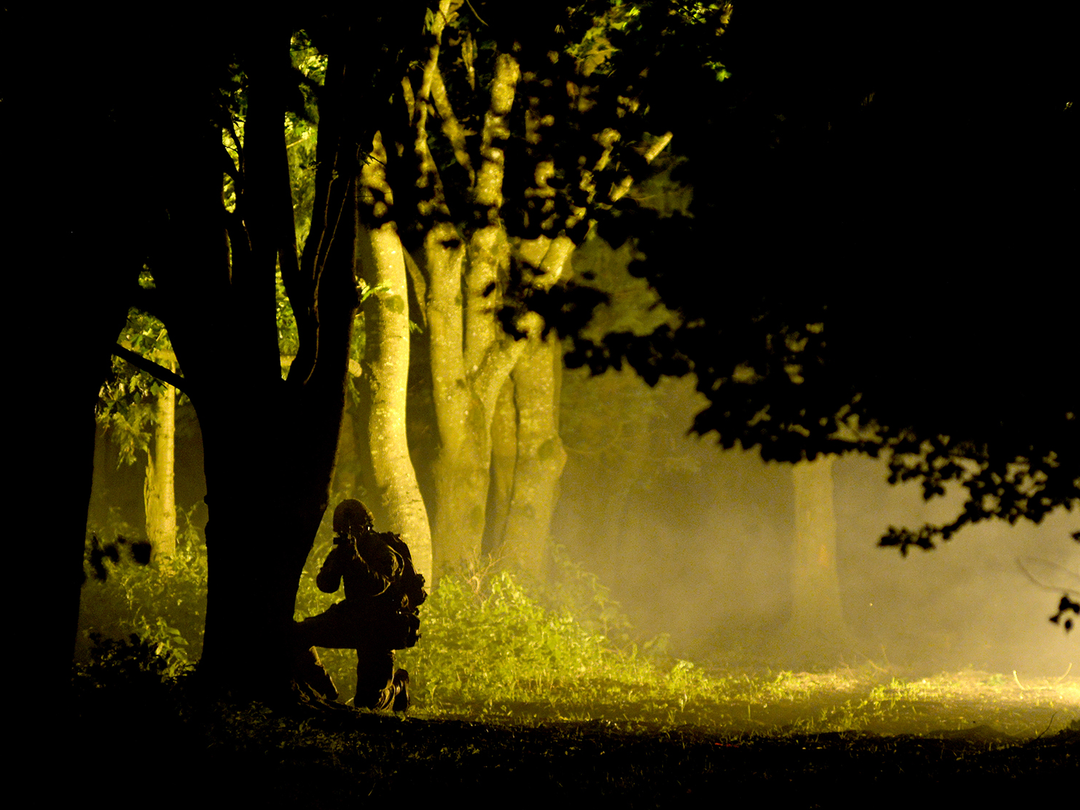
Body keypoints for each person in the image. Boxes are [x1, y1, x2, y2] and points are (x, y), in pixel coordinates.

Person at [295, 499, 426, 711]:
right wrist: (339, 559)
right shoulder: (345, 549)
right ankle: (326, 690)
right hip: (352, 618)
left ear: (365, 525)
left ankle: (398, 687)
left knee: (368, 702)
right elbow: (326, 585)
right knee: (297, 635)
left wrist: (353, 558)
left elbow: (377, 586)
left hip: (379, 628)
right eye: (341, 529)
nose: (346, 532)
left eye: (351, 528)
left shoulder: (384, 551)